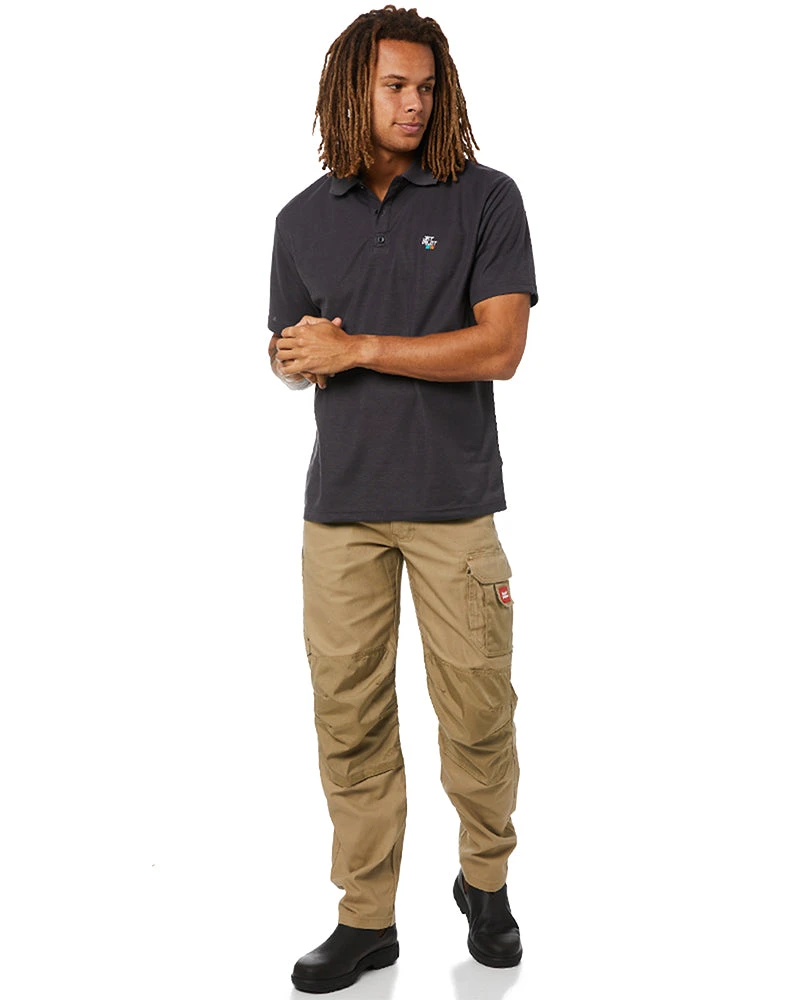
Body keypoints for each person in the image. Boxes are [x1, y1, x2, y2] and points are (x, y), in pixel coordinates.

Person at [268, 5, 537, 993]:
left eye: (426, 87)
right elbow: (289, 346)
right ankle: (366, 917)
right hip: (339, 510)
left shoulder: (487, 199)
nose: (414, 103)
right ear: (353, 91)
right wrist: (296, 356)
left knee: (477, 711)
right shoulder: (300, 219)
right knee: (349, 719)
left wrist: (359, 349)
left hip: (452, 502)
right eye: (394, 86)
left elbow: (501, 347)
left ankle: (485, 883)